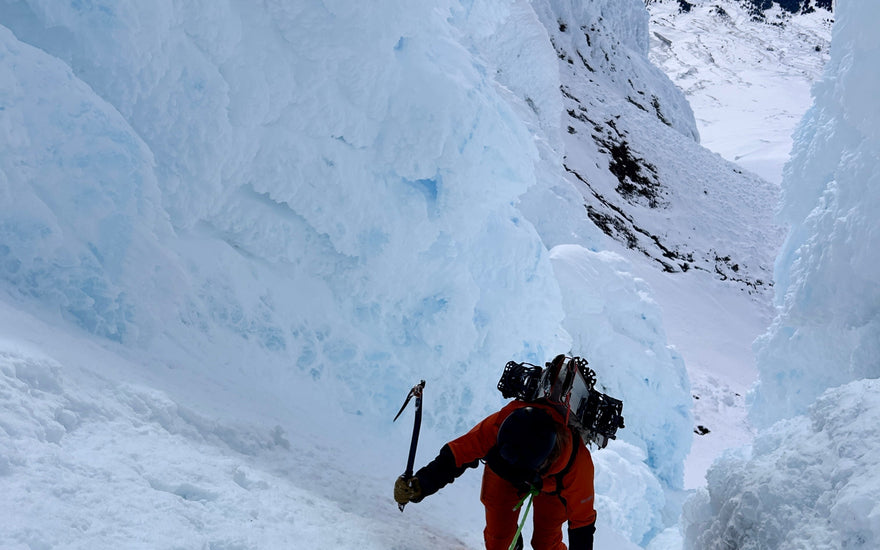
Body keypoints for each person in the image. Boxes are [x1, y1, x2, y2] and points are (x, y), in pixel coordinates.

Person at [394, 399, 596, 550]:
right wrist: (421, 484)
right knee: (499, 542)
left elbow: (582, 525)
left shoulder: (578, 468)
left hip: (555, 489)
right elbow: (458, 454)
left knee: (546, 544)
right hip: (503, 468)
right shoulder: (501, 427)